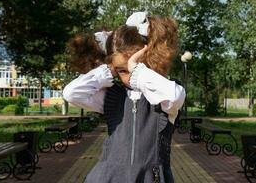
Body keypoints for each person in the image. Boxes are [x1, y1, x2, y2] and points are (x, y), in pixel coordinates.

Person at [63, 12, 186, 183]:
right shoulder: (113, 97)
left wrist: (138, 71)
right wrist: (108, 69)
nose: (130, 76)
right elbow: (71, 93)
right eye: (122, 71)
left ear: (153, 60)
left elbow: (175, 96)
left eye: (136, 68)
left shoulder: (163, 99)